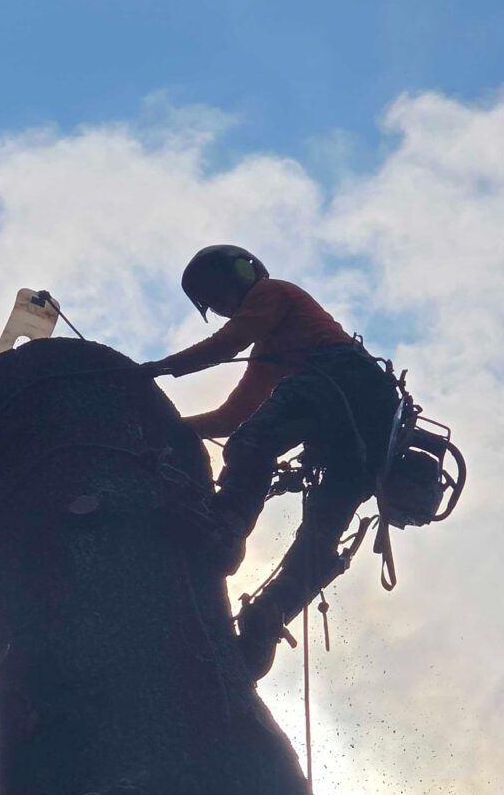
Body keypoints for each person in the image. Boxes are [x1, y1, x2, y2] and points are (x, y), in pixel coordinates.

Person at [142, 245, 399, 679]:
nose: (224, 306)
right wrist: (176, 428)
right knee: (319, 532)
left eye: (219, 291)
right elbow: (231, 414)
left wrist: (155, 370)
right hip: (364, 436)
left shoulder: (273, 293)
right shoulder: (269, 352)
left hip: (342, 380)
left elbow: (227, 346)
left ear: (244, 272)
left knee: (252, 443)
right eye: (214, 303)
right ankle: (267, 618)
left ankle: (228, 526)